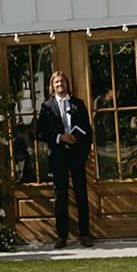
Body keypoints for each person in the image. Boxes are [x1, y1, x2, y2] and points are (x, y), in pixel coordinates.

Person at [37, 70, 93, 247]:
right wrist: (59, 137)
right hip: (58, 156)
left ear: (67, 84)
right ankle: (62, 236)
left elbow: (88, 131)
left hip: (77, 156)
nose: (60, 85)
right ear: (52, 87)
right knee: (60, 196)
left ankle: (85, 234)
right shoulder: (47, 106)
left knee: (81, 194)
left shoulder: (78, 104)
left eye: (62, 82)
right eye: (56, 83)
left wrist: (82, 150)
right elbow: (40, 133)